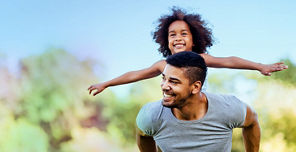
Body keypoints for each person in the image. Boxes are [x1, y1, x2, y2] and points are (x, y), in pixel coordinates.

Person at [88, 7, 287, 96]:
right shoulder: (163, 64)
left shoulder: (199, 58)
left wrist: (260, 66)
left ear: (194, 39)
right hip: (175, 105)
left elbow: (229, 61)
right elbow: (136, 74)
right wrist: (107, 83)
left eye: (184, 33)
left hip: (199, 106)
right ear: (167, 41)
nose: (178, 38)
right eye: (172, 35)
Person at [136, 51, 261, 152]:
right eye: (164, 78)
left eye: (173, 82)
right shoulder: (152, 115)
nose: (164, 86)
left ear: (195, 87)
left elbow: (252, 121)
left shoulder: (227, 108)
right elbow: (142, 134)